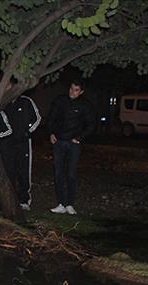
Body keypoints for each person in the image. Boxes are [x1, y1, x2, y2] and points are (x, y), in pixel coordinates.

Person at [47, 79, 95, 215]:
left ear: (81, 92)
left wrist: (79, 137)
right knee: (58, 173)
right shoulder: (60, 101)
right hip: (59, 142)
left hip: (73, 144)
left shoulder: (85, 105)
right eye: (71, 88)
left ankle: (70, 204)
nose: (72, 92)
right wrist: (51, 133)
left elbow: (91, 124)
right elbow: (52, 117)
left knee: (71, 174)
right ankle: (61, 203)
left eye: (76, 90)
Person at [0, 85, 41, 210]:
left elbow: (37, 118)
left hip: (23, 142)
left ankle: (24, 200)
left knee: (23, 170)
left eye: (11, 88)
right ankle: (11, 199)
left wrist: (27, 132)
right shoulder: (2, 104)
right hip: (7, 142)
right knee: (9, 170)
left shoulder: (26, 101)